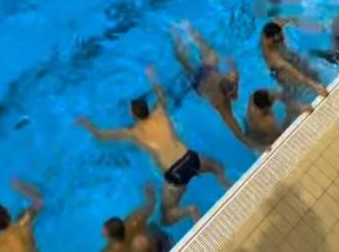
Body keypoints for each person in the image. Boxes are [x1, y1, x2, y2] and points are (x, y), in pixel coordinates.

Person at [76, 66, 231, 226]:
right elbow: (160, 93)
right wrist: (152, 77)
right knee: (217, 167)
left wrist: (87, 125)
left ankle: (190, 210)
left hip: (175, 172)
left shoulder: (134, 132)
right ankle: (226, 183)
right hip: (191, 158)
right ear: (148, 108)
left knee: (166, 217)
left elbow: (101, 135)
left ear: (133, 115)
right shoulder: (160, 112)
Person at [171, 22, 259, 150]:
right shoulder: (221, 103)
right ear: (225, 96)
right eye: (231, 96)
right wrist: (250, 144)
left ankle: (188, 28)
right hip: (198, 82)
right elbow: (233, 127)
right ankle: (175, 35)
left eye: (233, 92)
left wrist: (224, 60)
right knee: (185, 63)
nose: (234, 96)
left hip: (210, 71)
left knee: (208, 51)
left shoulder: (233, 76)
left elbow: (232, 63)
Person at [261, 18, 329, 98]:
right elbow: (298, 75)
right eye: (277, 40)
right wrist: (315, 86)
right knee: (296, 86)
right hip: (280, 71)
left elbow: (293, 20)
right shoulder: (274, 57)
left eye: (281, 37)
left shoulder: (276, 25)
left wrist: (315, 27)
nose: (281, 40)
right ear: (270, 40)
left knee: (312, 72)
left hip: (286, 55)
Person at [101, 183, 172, 252]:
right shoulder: (134, 220)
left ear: (111, 238)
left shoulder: (111, 250)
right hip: (163, 241)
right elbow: (150, 205)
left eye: (103, 235)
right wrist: (149, 193)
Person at [245, 89, 313, 147]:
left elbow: (279, 95)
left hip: (251, 127)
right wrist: (289, 115)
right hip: (262, 140)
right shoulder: (265, 122)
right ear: (266, 108)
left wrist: (299, 106)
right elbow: (282, 136)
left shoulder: (255, 97)